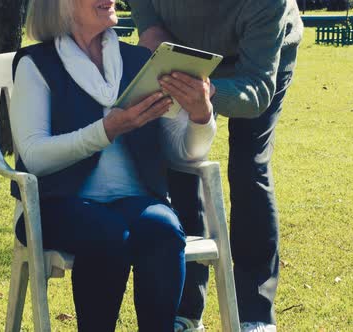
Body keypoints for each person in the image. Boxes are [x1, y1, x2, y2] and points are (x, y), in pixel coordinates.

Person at [9, 0, 218, 331]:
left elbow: (185, 153)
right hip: (56, 204)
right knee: (106, 234)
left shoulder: (140, 61)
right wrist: (108, 129)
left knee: (164, 230)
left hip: (136, 201)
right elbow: (33, 156)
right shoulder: (36, 65)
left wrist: (200, 115)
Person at [129, 0, 304, 331]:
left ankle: (254, 313)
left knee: (248, 168)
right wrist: (150, 26)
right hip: (184, 51)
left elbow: (256, 91)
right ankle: (186, 309)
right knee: (180, 165)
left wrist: (206, 95)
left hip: (258, 61)